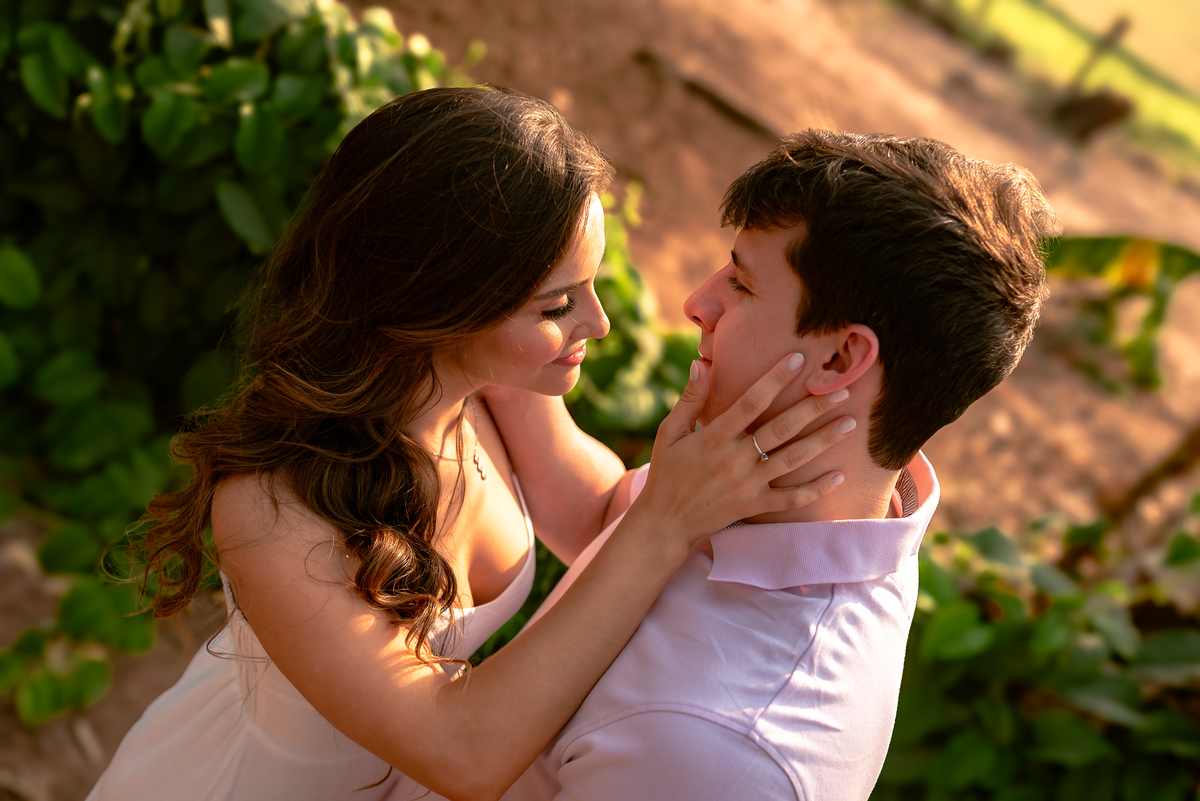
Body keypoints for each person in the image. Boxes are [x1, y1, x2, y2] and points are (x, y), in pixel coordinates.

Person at [86, 88, 855, 801]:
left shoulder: (492, 385)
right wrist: (666, 520)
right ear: (439, 303)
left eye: (591, 286)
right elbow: (460, 752)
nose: (597, 323)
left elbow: (597, 518)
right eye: (556, 305)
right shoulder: (270, 507)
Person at [504, 130, 1060, 801]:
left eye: (741, 283)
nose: (698, 302)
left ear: (839, 358)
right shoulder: (811, 494)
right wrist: (492, 334)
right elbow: (608, 523)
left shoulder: (720, 749)